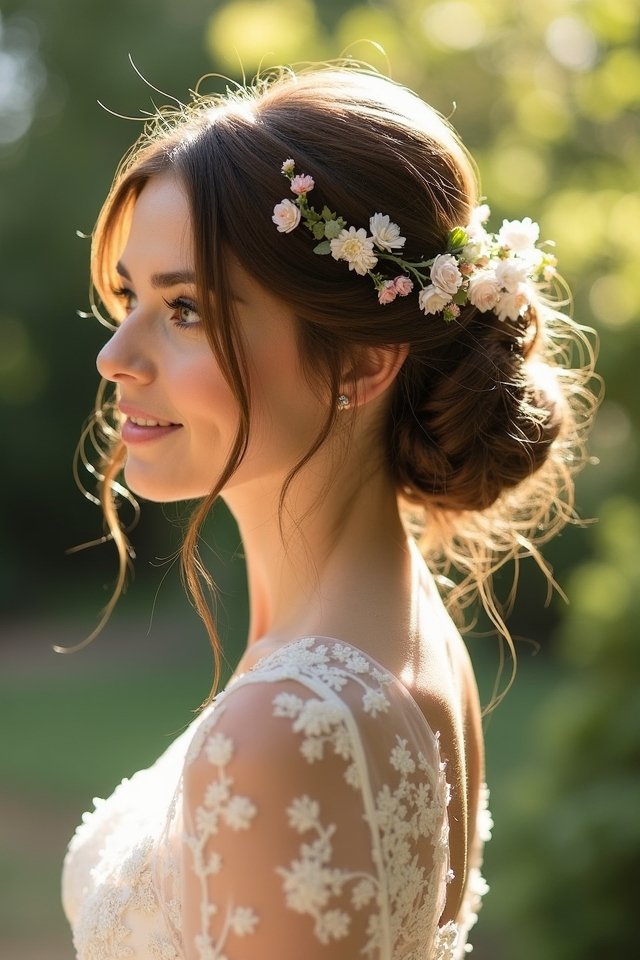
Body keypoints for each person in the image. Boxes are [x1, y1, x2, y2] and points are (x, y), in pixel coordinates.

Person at [61, 65, 594, 960]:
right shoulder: (390, 640)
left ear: (360, 362)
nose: (118, 356)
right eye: (129, 298)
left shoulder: (289, 725)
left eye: (185, 309)